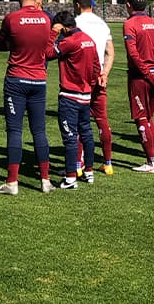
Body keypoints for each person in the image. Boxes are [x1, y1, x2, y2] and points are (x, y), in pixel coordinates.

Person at [0, 0, 54, 195]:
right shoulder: (46, 20)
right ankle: (45, 180)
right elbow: (47, 49)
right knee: (39, 130)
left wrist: (17, 43)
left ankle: (12, 182)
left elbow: (2, 45)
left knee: (15, 130)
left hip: (17, 79)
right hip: (39, 79)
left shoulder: (12, 18)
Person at [47, 10, 100, 188]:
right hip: (86, 95)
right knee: (86, 133)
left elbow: (47, 53)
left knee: (70, 136)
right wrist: (89, 86)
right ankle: (89, 172)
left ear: (63, 27)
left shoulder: (68, 41)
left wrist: (53, 33)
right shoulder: (89, 40)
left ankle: (70, 178)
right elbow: (96, 67)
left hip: (70, 95)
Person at [122, 0, 154, 173]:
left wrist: (149, 75)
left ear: (128, 5)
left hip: (140, 77)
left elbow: (133, 54)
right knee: (149, 117)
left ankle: (152, 162)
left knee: (141, 117)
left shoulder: (130, 24)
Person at [73, 0, 115, 175]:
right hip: (98, 75)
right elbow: (110, 52)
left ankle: (78, 164)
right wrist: (105, 72)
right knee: (102, 120)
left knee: (78, 120)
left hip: (80, 75)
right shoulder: (102, 23)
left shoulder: (75, 23)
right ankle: (107, 162)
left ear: (76, 5)